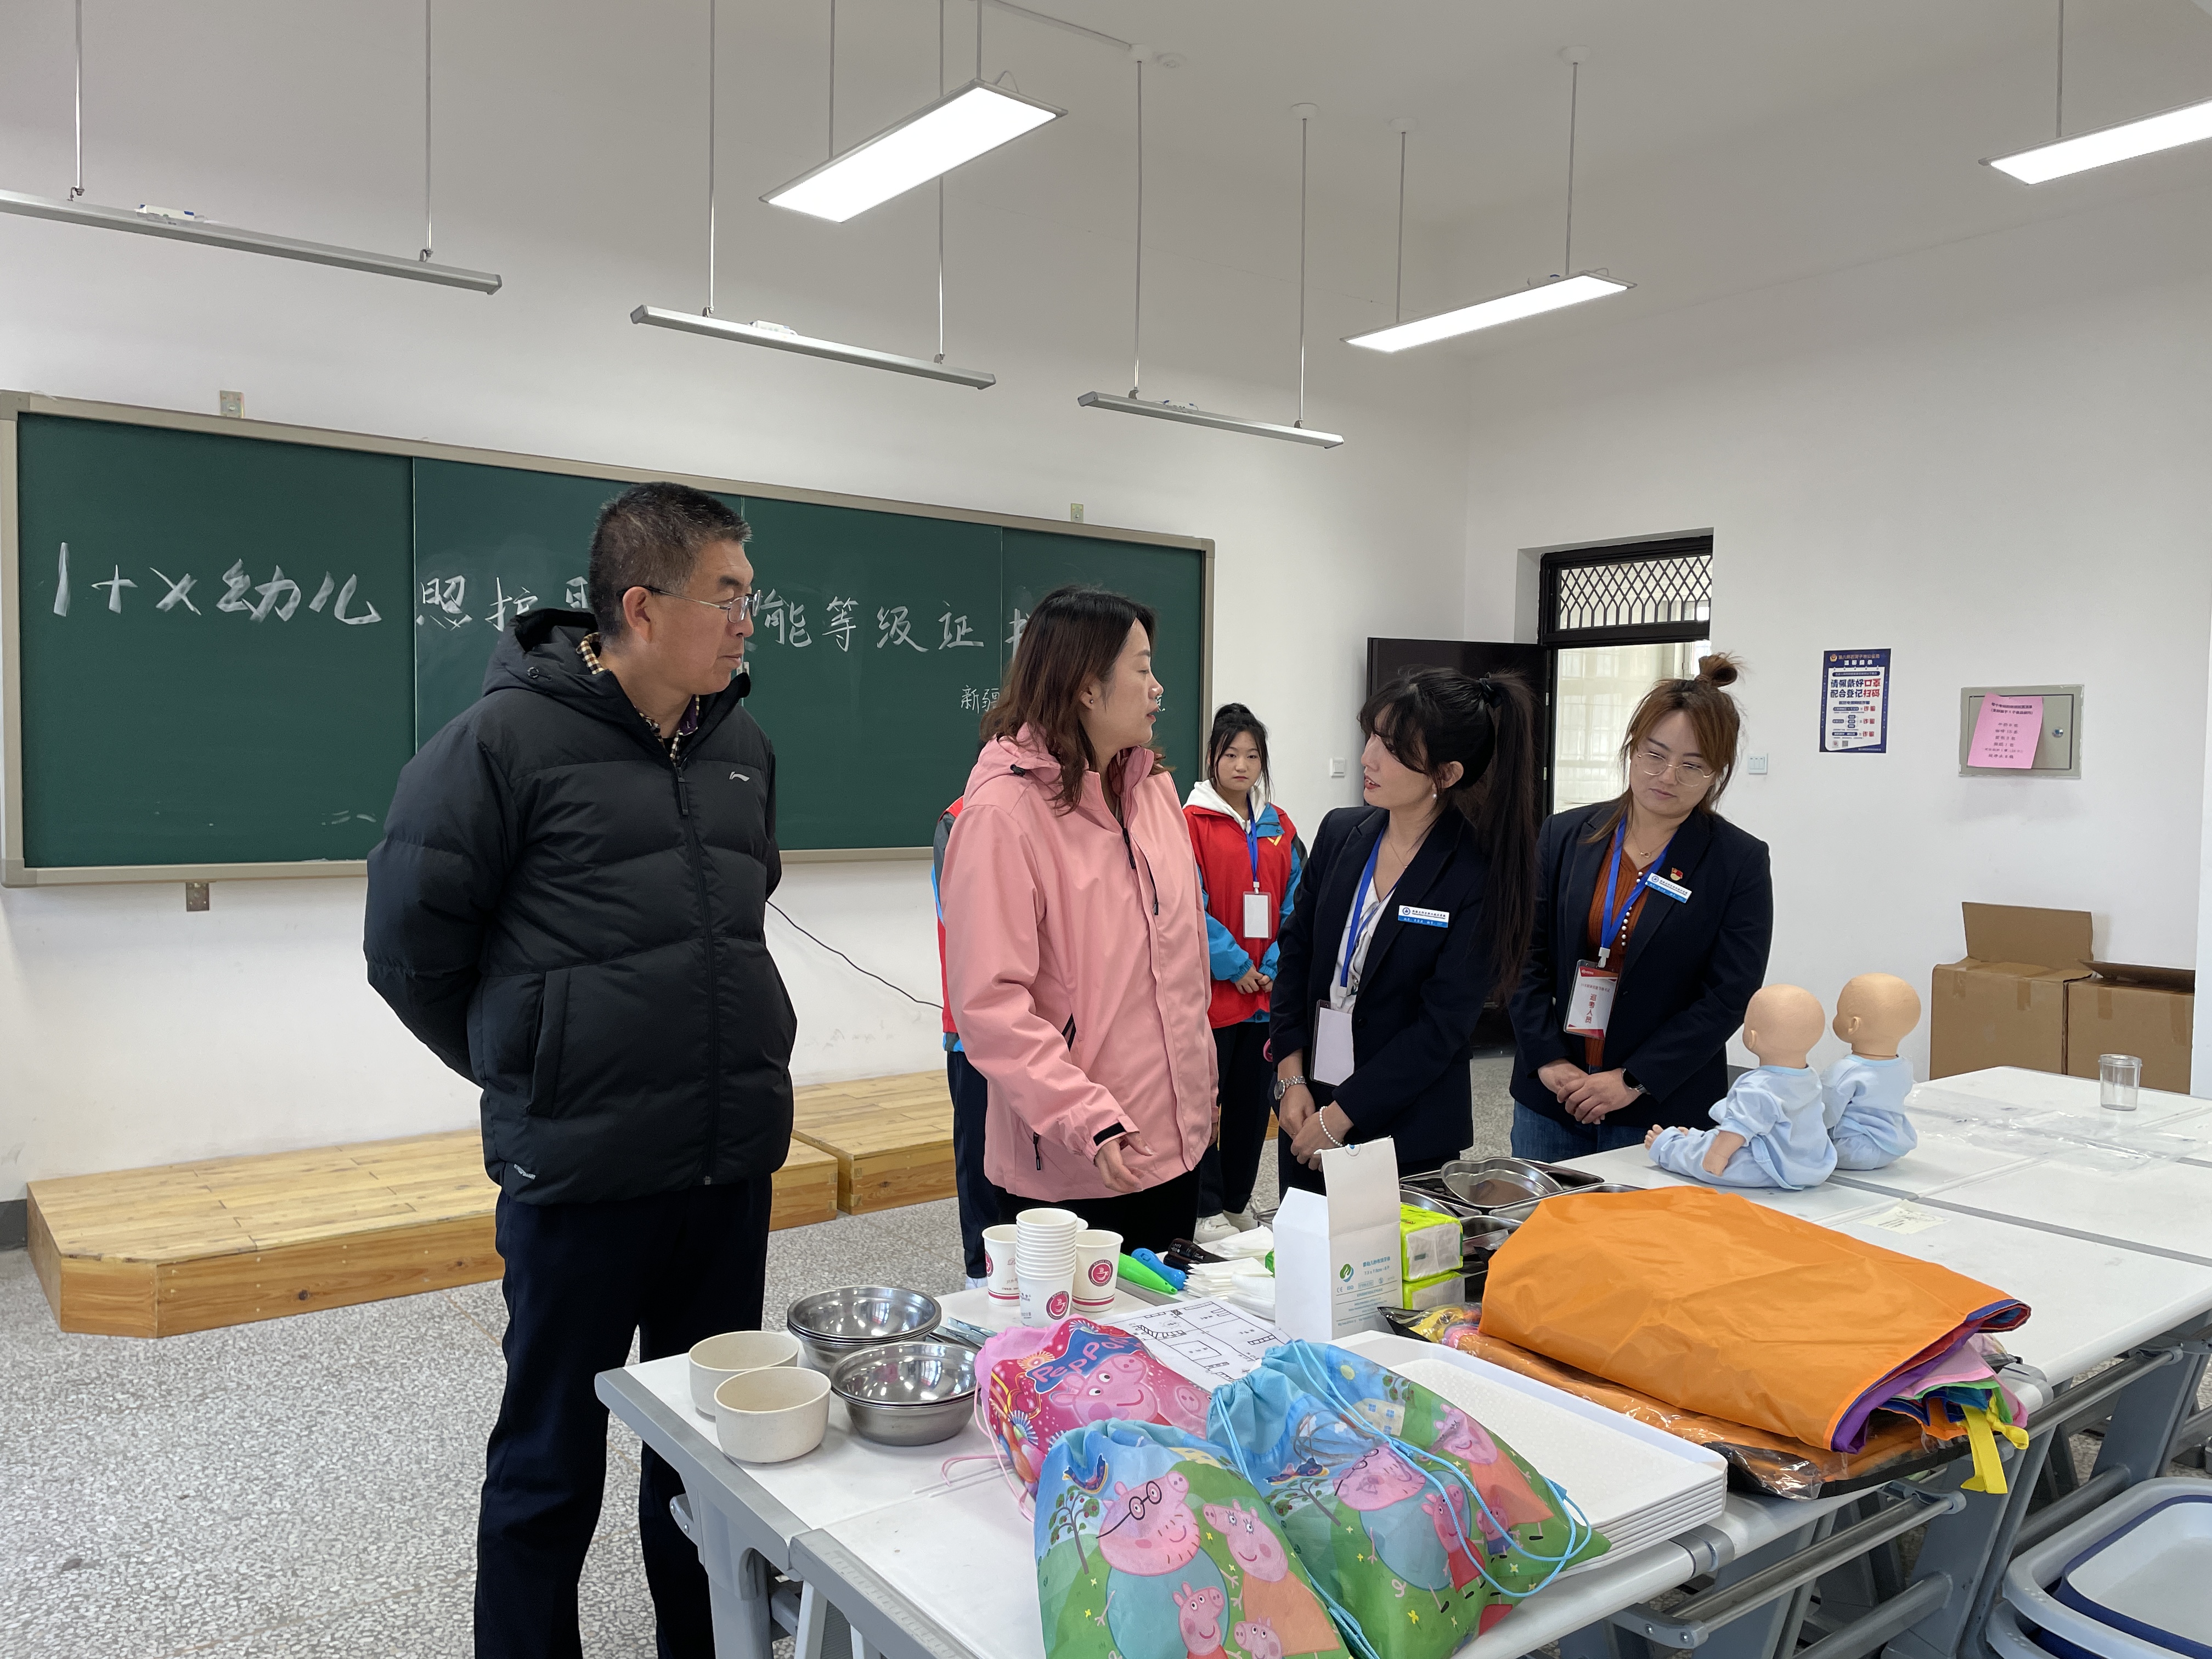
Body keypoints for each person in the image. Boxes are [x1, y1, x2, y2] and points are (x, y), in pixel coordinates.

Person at [364, 482, 792, 1659]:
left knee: (707, 1465)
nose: (748, 619)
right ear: (641, 609)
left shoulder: (741, 746)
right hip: (581, 1175)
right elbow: (407, 950)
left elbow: (745, 906)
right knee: (550, 1462)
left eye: (749, 594)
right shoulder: (500, 744)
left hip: (724, 1164)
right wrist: (531, 1067)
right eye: (726, 594)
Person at [939, 584, 1216, 1249]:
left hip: (1173, 1145)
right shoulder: (1003, 815)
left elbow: (1183, 963)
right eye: (1142, 669)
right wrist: (1087, 1118)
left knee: (1170, 1317)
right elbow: (990, 1007)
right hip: (1075, 1160)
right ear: (1088, 687)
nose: (1158, 688)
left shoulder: (1155, 792)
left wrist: (1201, 1092)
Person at [1269, 669, 1541, 1189]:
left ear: (1447, 773)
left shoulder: (1476, 873)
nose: (1368, 757)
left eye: (1392, 749)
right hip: (1307, 1104)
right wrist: (1290, 1075)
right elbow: (1296, 953)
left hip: (1403, 1127)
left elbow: (1441, 1026)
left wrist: (1342, 1116)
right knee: (1301, 1237)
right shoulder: (1340, 832)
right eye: (1372, 736)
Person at [1508, 654, 1773, 1161]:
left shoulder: (1737, 860)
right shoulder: (1566, 834)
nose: (1667, 776)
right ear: (1632, 749)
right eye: (1655, 754)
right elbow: (1523, 955)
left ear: (1716, 774)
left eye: (1692, 765)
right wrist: (1547, 1060)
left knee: (1641, 1218)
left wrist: (1634, 1079)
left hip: (1660, 1109)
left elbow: (1729, 993)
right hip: (1553, 1096)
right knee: (1544, 1214)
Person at [1184, 704, 1302, 1240]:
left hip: (1264, 998)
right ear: (1212, 756)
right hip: (1212, 996)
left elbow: (1298, 902)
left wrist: (1274, 964)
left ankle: (1235, 1201)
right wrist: (1235, 965)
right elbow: (1189, 904)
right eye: (1230, 754)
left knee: (1253, 1111)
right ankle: (1205, 1207)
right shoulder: (1189, 822)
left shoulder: (1281, 826)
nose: (1241, 765)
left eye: (1252, 756)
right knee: (1202, 1107)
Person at [932, 790, 1006, 1286]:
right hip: (974, 1028)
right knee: (979, 1152)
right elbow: (964, 919)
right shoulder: (956, 822)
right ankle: (981, 1269)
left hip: (1050, 1029)